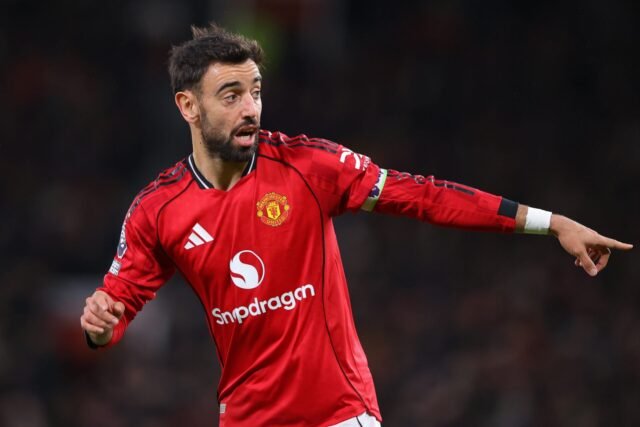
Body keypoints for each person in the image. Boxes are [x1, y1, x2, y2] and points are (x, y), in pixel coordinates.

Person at [80, 24, 632, 427]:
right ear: (188, 106)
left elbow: (425, 197)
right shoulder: (159, 209)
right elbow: (114, 311)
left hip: (340, 414)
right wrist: (101, 325)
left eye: (256, 92)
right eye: (232, 96)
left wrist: (551, 223)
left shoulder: (308, 167)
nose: (251, 108)